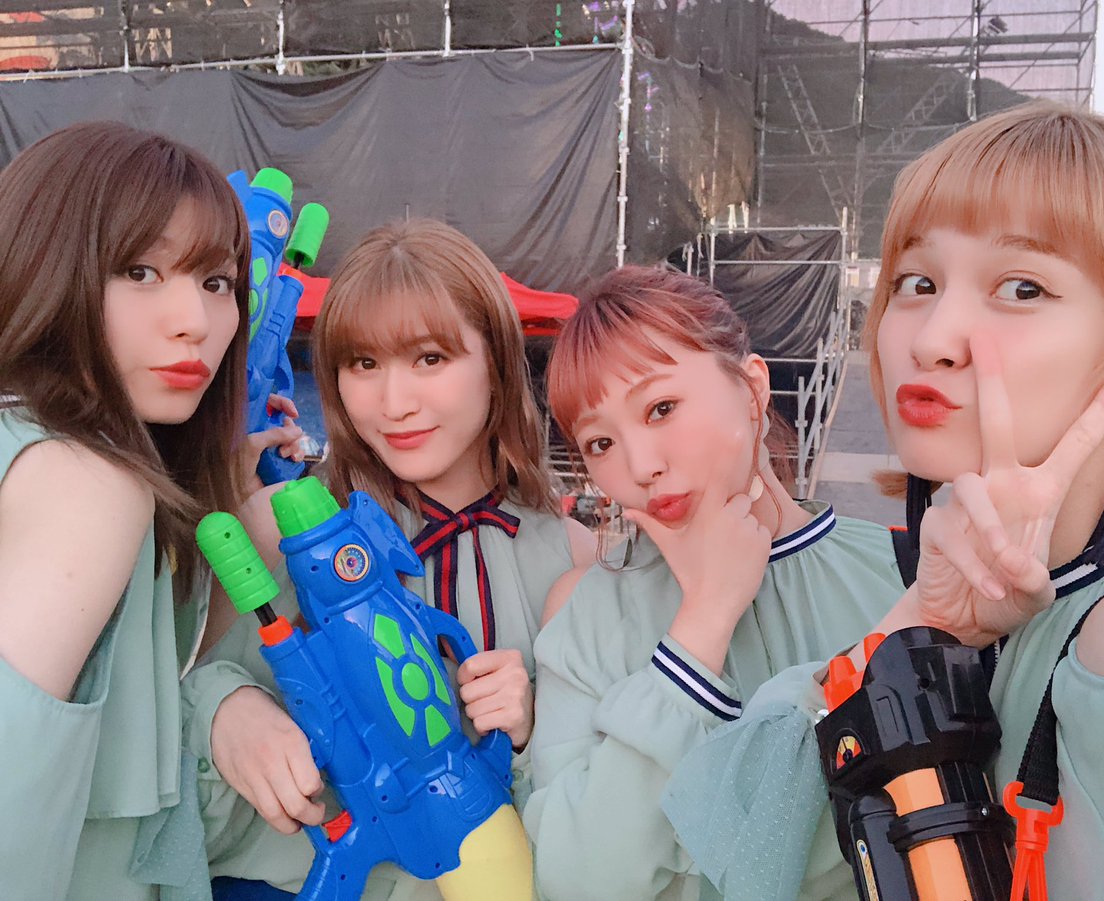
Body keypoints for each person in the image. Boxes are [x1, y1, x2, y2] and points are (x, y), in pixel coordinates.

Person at [663, 101, 1104, 900]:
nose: (931, 336)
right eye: (917, 282)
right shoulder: (985, 591)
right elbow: (740, 852)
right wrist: (922, 623)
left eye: (1021, 287)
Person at [189, 219, 596, 899]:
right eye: (363, 364)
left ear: (496, 361)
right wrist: (224, 709)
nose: (394, 403)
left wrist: (529, 733)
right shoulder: (283, 525)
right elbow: (169, 690)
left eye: (430, 359)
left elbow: (604, 805)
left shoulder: (571, 555)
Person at [522, 265, 910, 900]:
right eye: (600, 443)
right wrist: (703, 622)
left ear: (752, 388)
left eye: (661, 408)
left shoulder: (902, 570)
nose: (642, 465)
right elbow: (577, 881)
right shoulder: (589, 616)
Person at [0, 121, 302, 900]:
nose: (194, 320)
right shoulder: (89, 484)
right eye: (140, 270)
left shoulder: (50, 451)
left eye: (217, 281)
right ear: (42, 262)